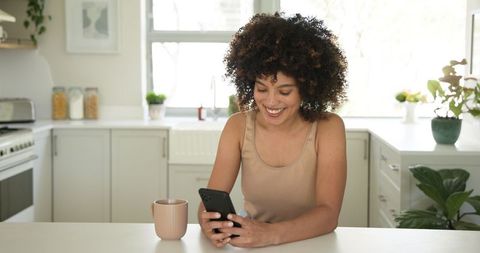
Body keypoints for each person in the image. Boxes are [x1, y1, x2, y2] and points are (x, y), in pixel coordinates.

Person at [198, 12, 348, 248]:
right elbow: (209, 202)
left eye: (285, 91)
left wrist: (269, 234)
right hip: (256, 244)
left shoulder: (329, 128)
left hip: (315, 244)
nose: (271, 101)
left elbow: (329, 215)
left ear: (306, 89)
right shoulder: (237, 127)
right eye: (261, 88)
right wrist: (210, 224)